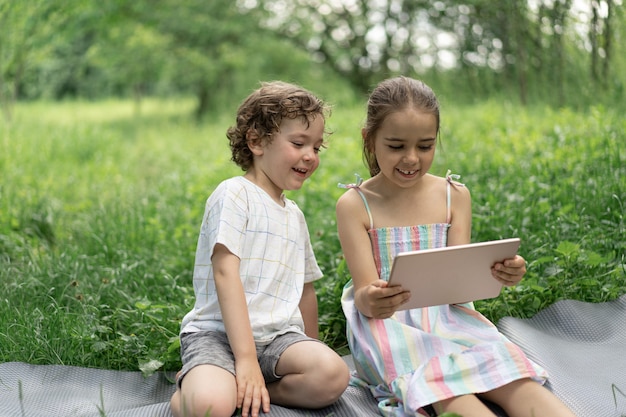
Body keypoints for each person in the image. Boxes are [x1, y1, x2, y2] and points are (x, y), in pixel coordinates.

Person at [336, 76, 576, 417]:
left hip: (448, 317)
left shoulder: (454, 195)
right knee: (444, 388)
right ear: (369, 139)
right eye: (395, 146)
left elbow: (456, 281)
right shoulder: (355, 205)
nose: (411, 159)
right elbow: (364, 295)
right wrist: (372, 298)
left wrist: (501, 272)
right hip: (389, 326)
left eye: (425, 146)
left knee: (509, 373)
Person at [170, 81, 350, 417]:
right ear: (256, 141)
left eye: (317, 147)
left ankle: (252, 389)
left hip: (278, 340)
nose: (310, 156)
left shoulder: (294, 215)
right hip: (218, 336)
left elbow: (305, 289)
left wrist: (310, 344)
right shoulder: (234, 195)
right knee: (210, 406)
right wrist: (246, 359)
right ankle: (200, 387)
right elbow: (225, 273)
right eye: (298, 143)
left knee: (333, 375)